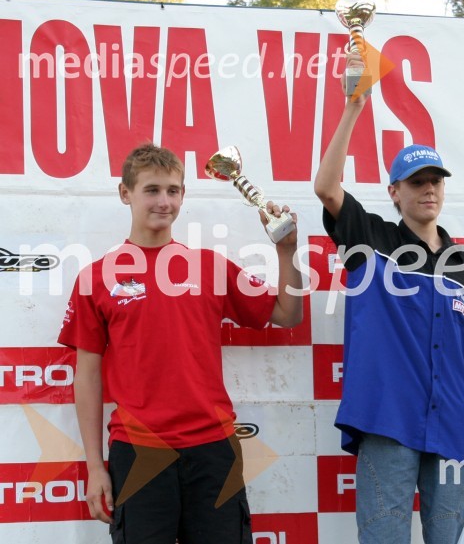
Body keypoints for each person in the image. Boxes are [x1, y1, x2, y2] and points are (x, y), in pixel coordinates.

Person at [58, 144, 302, 543]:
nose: (164, 201)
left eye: (173, 190)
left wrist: (286, 250)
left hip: (214, 449)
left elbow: (287, 315)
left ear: (183, 195)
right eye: (152, 190)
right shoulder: (95, 278)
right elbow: (86, 377)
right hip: (138, 452)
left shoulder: (209, 266)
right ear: (126, 194)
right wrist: (94, 466)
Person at [314, 61, 464, 544]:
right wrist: (353, 108)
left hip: (453, 430)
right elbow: (326, 188)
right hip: (387, 421)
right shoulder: (371, 238)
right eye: (417, 181)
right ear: (394, 192)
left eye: (436, 180)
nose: (429, 189)